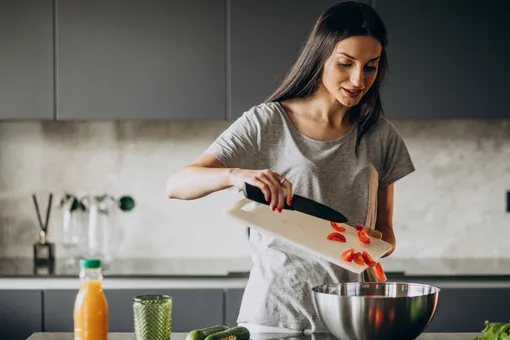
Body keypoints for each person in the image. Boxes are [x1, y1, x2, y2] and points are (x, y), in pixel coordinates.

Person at [166, 0, 415, 334]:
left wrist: (374, 242)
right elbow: (178, 184)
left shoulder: (381, 135)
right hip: (276, 317)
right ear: (320, 57)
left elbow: (387, 234)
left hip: (351, 318)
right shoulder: (268, 122)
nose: (358, 79)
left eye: (370, 67)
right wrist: (236, 175)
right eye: (345, 64)